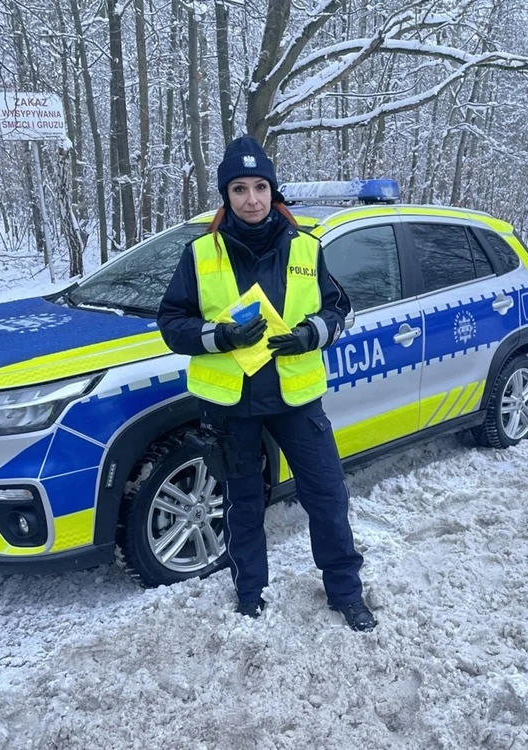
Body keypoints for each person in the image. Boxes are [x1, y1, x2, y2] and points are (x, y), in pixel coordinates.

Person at [157, 136, 377, 632]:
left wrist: (309, 334)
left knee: (326, 496)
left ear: (272, 192)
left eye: (260, 187)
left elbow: (337, 309)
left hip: (294, 398)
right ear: (225, 195)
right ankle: (250, 592)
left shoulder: (306, 247)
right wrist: (220, 335)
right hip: (232, 406)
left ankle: (346, 592)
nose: (251, 199)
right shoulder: (199, 255)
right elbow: (171, 324)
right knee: (243, 503)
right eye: (239, 188)